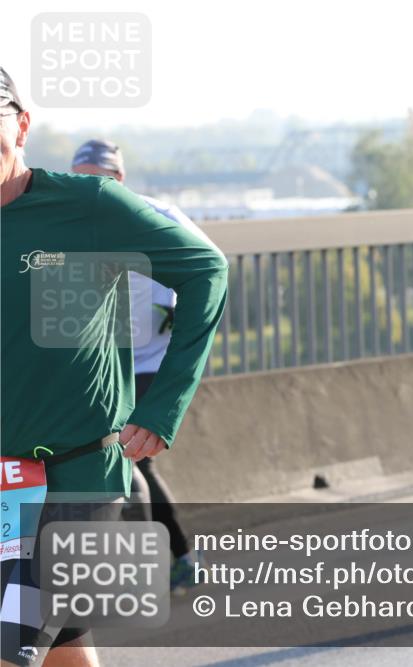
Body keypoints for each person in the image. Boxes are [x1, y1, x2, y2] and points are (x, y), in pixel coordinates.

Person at [1, 66, 228, 667]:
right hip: (3, 483)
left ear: (21, 126)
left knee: (10, 645)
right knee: (62, 649)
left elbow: (206, 270)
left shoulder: (89, 207)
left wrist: (164, 404)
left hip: (73, 476)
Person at [71, 139, 205, 593]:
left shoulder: (159, 216)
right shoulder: (69, 223)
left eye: (98, 178)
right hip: (101, 366)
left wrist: (173, 317)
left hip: (153, 366)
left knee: (132, 458)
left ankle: (175, 558)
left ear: (119, 180)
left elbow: (208, 271)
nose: (88, 187)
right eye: (79, 177)